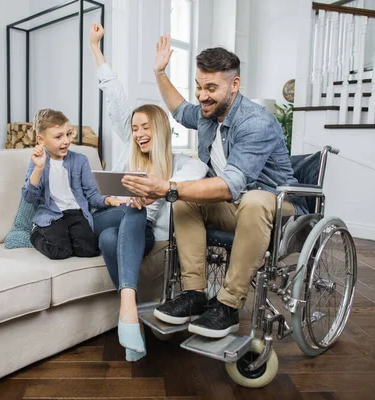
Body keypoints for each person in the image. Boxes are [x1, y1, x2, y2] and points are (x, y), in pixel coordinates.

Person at [122, 35, 307, 339]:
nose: (201, 96)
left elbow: (230, 186)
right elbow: (179, 110)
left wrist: (168, 186)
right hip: (238, 205)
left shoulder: (255, 122)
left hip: (280, 209)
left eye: (210, 88)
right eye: (198, 86)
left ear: (234, 85)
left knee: (252, 198)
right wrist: (159, 73)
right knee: (184, 199)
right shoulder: (209, 115)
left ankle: (228, 306)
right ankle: (194, 294)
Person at [89, 24, 208, 361]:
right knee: (130, 210)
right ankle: (132, 306)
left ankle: (129, 312)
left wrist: (160, 191)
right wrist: (96, 47)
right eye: (134, 127)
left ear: (160, 129)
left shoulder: (182, 164)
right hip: (107, 212)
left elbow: (197, 179)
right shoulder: (129, 148)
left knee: (112, 239)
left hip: (134, 229)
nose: (138, 133)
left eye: (145, 127)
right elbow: (114, 95)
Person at [22, 108, 124, 260]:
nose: (66, 141)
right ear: (41, 140)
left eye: (68, 134)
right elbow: (29, 197)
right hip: (52, 215)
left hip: (76, 213)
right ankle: (36, 234)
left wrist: (108, 200)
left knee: (90, 250)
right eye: (59, 137)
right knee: (59, 251)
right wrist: (38, 168)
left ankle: (66, 236)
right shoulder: (37, 162)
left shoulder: (80, 160)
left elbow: (92, 194)